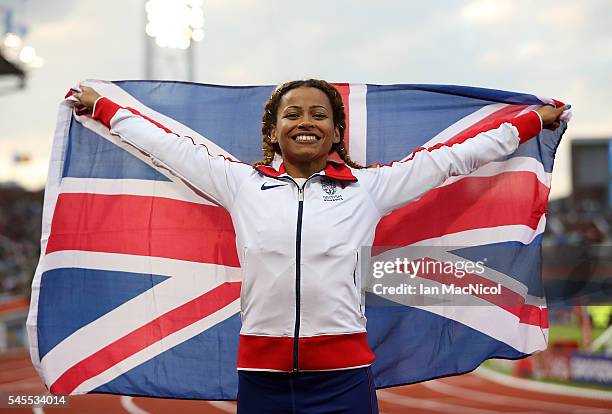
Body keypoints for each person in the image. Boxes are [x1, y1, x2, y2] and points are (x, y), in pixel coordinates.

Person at [73, 79, 567, 413]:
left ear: (335, 131)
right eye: (293, 113)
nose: (305, 121)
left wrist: (529, 123)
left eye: (318, 114)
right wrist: (104, 108)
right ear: (273, 130)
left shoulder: (369, 188)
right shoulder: (240, 184)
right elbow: (170, 148)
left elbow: (454, 159)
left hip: (344, 379)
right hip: (261, 379)